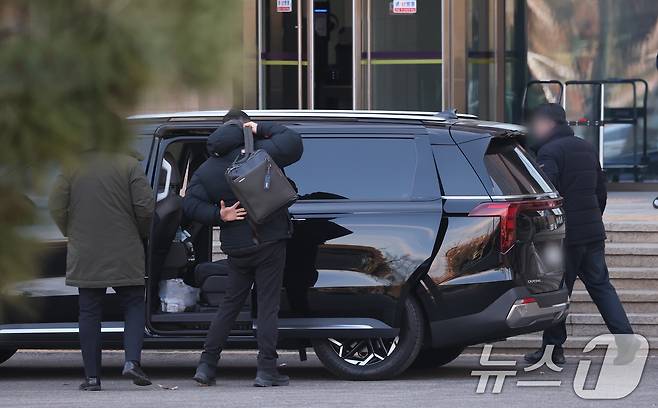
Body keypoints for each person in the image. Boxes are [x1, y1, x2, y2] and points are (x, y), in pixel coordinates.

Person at [183, 109, 303, 387]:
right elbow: (294, 141)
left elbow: (188, 204)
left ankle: (206, 365)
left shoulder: (208, 168)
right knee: (267, 307)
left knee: (229, 306)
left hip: (237, 248)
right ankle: (266, 370)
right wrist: (260, 128)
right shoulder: (263, 151)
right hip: (270, 241)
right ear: (243, 127)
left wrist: (219, 215)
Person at [524, 103, 634, 365]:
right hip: (592, 232)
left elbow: (546, 197)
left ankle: (553, 349)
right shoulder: (586, 147)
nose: (536, 129)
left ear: (548, 124)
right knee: (602, 288)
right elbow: (601, 190)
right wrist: (595, 218)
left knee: (558, 291)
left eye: (538, 123)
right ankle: (627, 343)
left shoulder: (549, 152)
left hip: (564, 236)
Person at [49, 149, 155, 391]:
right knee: (134, 305)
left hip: (86, 252)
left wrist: (71, 231)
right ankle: (131, 361)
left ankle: (93, 377)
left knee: (89, 313)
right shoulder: (129, 165)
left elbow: (55, 205)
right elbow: (145, 207)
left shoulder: (71, 165)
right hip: (125, 250)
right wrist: (140, 234)